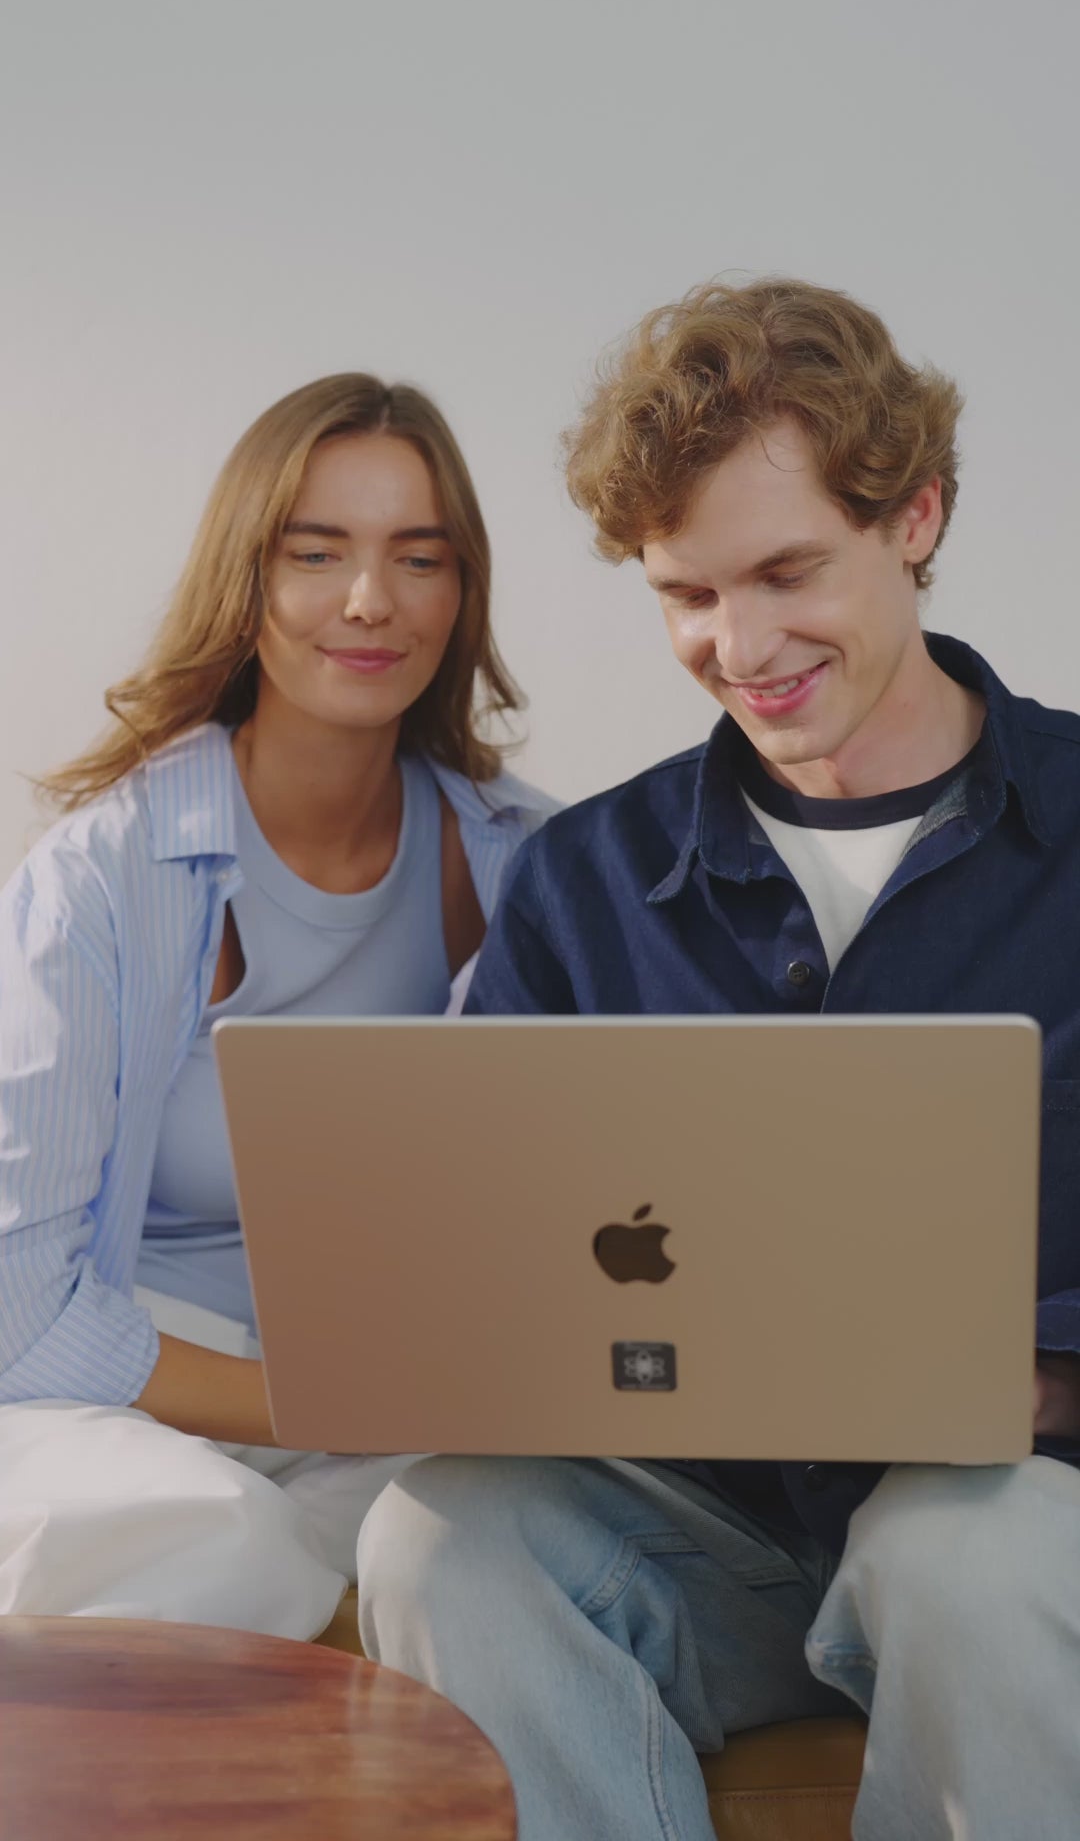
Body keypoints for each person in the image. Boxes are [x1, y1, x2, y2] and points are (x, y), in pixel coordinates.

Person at [352, 282, 1080, 1840]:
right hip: (720, 1537)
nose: (740, 648)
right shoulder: (587, 882)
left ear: (916, 517)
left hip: (1022, 1534)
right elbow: (491, 1247)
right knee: (436, 1536)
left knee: (965, 1549)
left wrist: (1040, 1376)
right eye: (687, 594)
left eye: (786, 572)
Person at [0, 372, 554, 1635]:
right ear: (246, 581)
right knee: (225, 1533)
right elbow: (17, 1318)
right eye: (318, 553)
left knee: (488, 1538)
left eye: (420, 558)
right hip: (115, 1396)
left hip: (385, 1407)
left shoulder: (535, 862)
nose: (370, 601)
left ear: (461, 593)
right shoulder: (101, 878)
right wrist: (317, 1407)